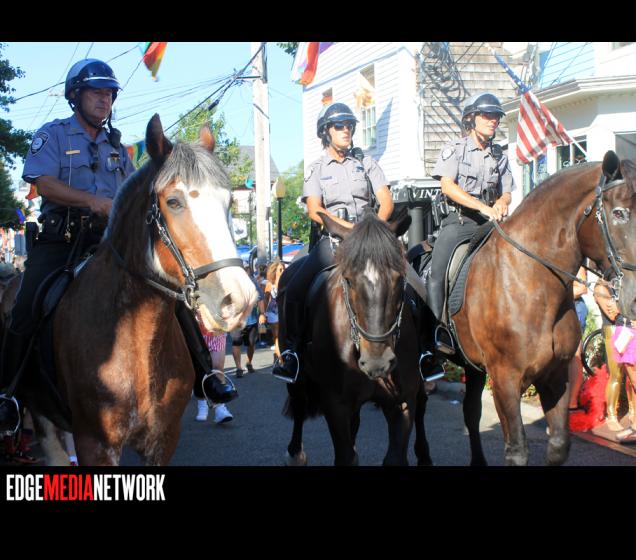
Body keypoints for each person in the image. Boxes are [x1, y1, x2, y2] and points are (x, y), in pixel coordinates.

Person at [0, 59, 235, 434]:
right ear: (75, 96)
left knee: (170, 294)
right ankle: (10, 394)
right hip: (62, 239)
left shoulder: (116, 146)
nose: (104, 100)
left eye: (109, 94)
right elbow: (43, 183)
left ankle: (207, 376)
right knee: (26, 301)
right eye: (96, 92)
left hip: (112, 242)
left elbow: (134, 194)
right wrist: (91, 201)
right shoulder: (54, 134)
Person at [272, 101, 394, 382]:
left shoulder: (366, 163)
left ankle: (424, 350)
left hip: (370, 239)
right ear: (326, 131)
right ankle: (292, 353)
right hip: (334, 240)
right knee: (294, 286)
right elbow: (315, 209)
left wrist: (373, 228)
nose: (346, 130)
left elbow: (386, 200)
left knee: (410, 280)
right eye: (339, 126)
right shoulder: (316, 169)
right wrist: (348, 228)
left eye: (349, 125)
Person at [429, 92, 515, 351]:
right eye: (487, 115)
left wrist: (502, 202)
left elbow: (507, 190)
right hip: (459, 221)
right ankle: (436, 332)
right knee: (437, 273)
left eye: (496, 116)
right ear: (472, 119)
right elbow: (447, 186)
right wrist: (481, 207)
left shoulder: (499, 154)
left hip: (490, 224)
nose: (493, 120)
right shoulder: (455, 149)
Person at [594, 280, 636, 432]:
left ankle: (633, 412)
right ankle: (611, 415)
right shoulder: (601, 287)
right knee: (616, 375)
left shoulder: (625, 283)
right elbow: (612, 314)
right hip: (613, 330)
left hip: (630, 329)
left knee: (632, 378)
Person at [230, 264, 266, 377]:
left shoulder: (253, 282)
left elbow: (260, 298)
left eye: (247, 270)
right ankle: (238, 368)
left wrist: (262, 314)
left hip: (251, 320)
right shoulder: (231, 283)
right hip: (236, 321)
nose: (245, 272)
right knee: (236, 343)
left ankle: (249, 363)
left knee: (251, 343)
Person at [196, 332, 233, 425]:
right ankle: (202, 403)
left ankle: (220, 408)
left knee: (217, 369)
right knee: (199, 370)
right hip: (196, 333)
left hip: (217, 333)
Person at [568, 267, 588, 412]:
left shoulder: (577, 265)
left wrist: (558, 294)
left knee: (574, 356)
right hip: (556, 308)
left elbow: (582, 288)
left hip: (574, 307)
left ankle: (572, 402)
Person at [264, 259, 285, 363]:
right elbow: (266, 299)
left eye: (283, 269)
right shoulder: (269, 284)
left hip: (283, 311)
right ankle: (280, 359)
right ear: (274, 271)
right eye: (280, 269)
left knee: (281, 335)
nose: (282, 271)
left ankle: (276, 355)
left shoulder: (286, 281)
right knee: (277, 336)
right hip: (272, 312)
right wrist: (263, 313)